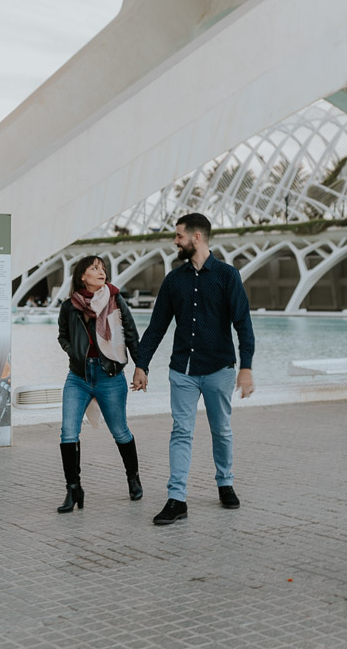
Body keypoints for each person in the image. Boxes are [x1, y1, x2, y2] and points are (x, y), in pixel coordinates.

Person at [132, 213, 255, 526]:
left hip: (219, 369)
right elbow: (157, 325)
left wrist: (246, 368)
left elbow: (243, 323)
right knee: (181, 432)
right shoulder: (174, 280)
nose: (175, 241)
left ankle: (225, 483)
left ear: (196, 238)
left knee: (221, 430)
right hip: (182, 371)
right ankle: (177, 499)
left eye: (179, 236)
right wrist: (141, 364)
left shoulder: (228, 276)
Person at [56, 254, 144, 513]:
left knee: (120, 432)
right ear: (82, 275)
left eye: (103, 268)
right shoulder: (69, 306)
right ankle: (73, 489)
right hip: (78, 377)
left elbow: (131, 334)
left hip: (110, 376)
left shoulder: (115, 300)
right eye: (94, 268)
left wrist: (141, 367)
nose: (101, 271)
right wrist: (74, 352)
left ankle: (133, 478)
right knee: (68, 433)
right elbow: (62, 336)